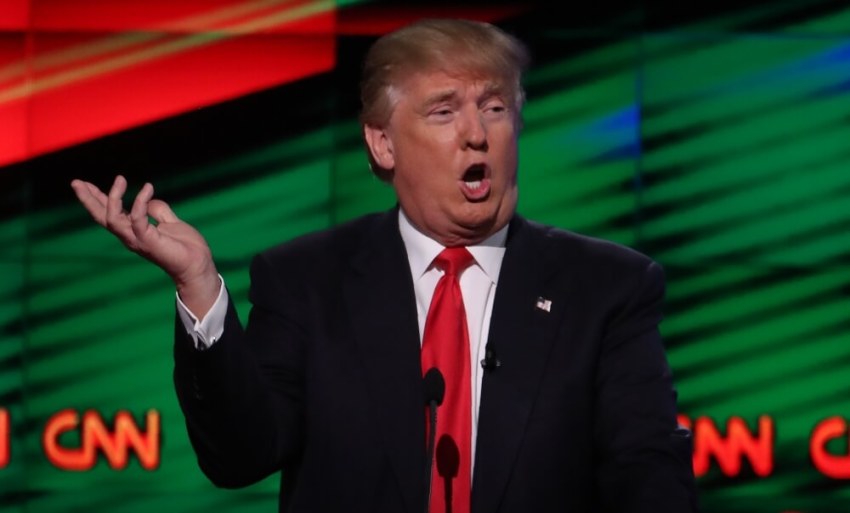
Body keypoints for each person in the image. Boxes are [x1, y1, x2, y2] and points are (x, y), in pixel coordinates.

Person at [71, 18, 698, 513]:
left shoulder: (606, 288)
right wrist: (200, 286)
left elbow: (650, 475)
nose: (477, 134)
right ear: (382, 142)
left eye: (496, 107)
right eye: (445, 110)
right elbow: (241, 455)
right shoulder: (308, 282)